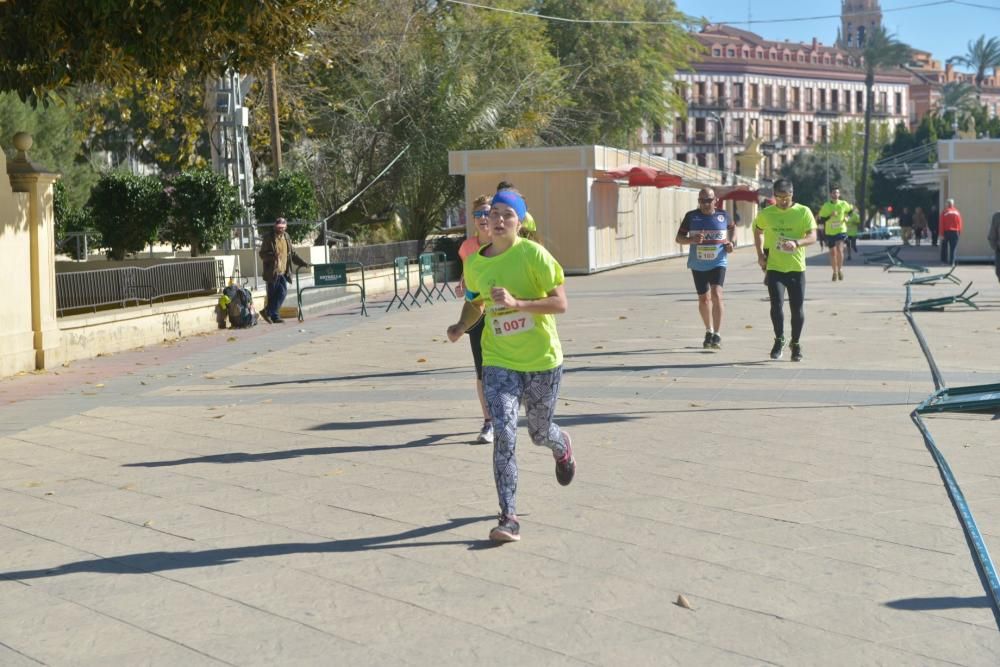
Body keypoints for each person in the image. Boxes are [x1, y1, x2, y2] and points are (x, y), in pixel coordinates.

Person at [446, 188, 574, 543]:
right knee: (503, 434)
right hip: (499, 360)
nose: (498, 220)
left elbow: (560, 304)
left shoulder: (534, 255)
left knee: (538, 432)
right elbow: (476, 303)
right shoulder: (475, 264)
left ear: (519, 222)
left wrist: (518, 303)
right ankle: (508, 516)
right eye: (493, 214)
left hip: (541, 360)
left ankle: (561, 446)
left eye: (507, 215)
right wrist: (461, 325)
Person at [753, 178, 817, 362]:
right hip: (775, 267)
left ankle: (795, 343)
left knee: (797, 309)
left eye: (786, 197)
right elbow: (758, 231)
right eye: (779, 197)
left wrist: (797, 243)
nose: (782, 201)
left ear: (792, 194)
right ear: (774, 196)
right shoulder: (767, 213)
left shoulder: (803, 211)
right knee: (776, 305)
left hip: (796, 268)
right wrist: (760, 255)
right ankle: (779, 339)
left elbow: (813, 235)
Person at [456, 195, 495, 444]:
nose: (483, 218)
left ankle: (507, 411)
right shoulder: (467, 247)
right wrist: (462, 284)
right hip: (477, 311)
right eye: (478, 214)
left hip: (503, 312)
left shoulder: (505, 243)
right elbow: (467, 273)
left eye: (487, 213)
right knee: (482, 370)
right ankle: (489, 422)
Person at [676, 187, 735, 349]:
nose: (705, 204)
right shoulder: (691, 216)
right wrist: (691, 240)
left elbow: (732, 228)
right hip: (698, 263)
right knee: (704, 299)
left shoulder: (723, 215)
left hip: (718, 262)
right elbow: (679, 238)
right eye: (701, 201)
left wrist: (732, 243)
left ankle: (717, 334)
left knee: (716, 294)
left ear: (715, 200)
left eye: (708, 200)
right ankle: (708, 330)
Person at [259, 217, 309, 323]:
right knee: (273, 295)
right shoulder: (269, 238)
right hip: (273, 271)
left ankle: (268, 312)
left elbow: (293, 253)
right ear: (275, 227)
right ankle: (274, 316)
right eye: (278, 227)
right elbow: (262, 254)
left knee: (282, 293)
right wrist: (273, 256)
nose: (280, 229)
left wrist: (302, 262)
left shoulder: (286, 237)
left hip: (284, 271)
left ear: (285, 227)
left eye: (282, 227)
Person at [817, 186, 852, 280]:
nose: (835, 194)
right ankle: (834, 272)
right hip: (830, 232)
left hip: (841, 230)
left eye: (837, 193)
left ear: (839, 194)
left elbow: (850, 211)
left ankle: (840, 270)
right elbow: (821, 219)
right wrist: (830, 215)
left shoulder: (843, 204)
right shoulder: (826, 206)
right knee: (833, 253)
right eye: (834, 193)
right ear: (830, 194)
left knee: (840, 250)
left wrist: (847, 217)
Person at [940, 198, 963, 265]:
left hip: (946, 232)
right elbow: (960, 223)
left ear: (947, 204)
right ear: (953, 204)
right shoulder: (957, 212)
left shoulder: (944, 212)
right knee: (953, 248)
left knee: (944, 247)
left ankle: (944, 261)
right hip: (955, 232)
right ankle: (952, 262)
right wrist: (959, 232)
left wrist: (941, 234)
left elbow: (941, 224)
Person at [988, 210, 1000, 284]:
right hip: (999, 249)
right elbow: (992, 234)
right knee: (998, 271)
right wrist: (995, 246)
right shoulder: (997, 217)